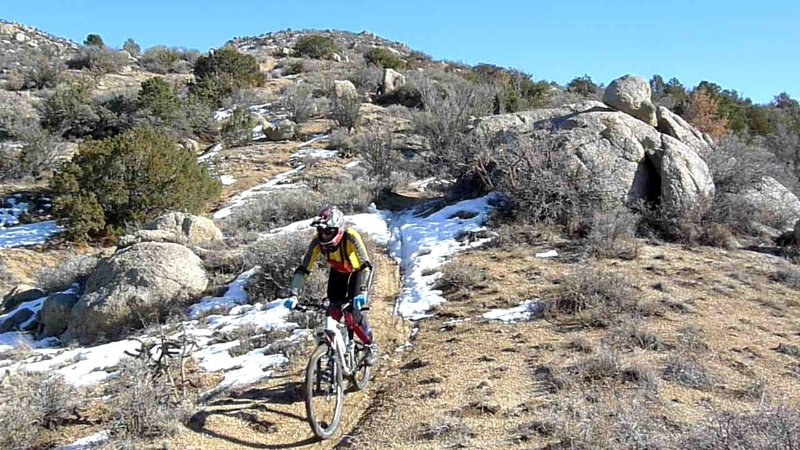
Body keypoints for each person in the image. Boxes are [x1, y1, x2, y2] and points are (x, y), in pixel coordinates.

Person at [288, 206, 377, 365]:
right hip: (338, 274)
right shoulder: (317, 243)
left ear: (339, 229)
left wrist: (362, 292)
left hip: (357, 273)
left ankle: (369, 344)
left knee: (353, 314)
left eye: (329, 231)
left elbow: (366, 265)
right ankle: (336, 349)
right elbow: (304, 269)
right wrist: (294, 294)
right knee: (333, 310)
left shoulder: (350, 237)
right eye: (322, 231)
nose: (324, 235)